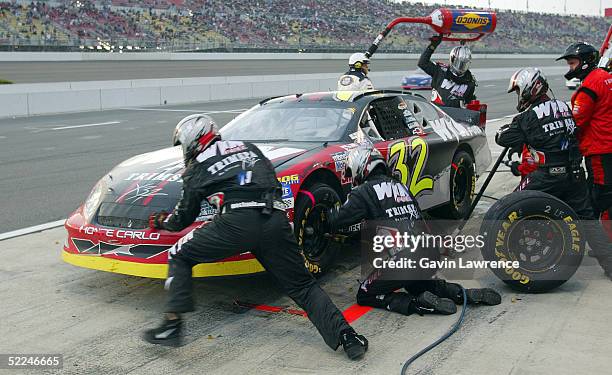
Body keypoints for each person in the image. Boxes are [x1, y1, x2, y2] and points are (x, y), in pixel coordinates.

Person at [143, 114, 368, 360]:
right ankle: (348, 337)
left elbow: (183, 217)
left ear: (193, 141)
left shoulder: (197, 167)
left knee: (179, 254)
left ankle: (172, 326)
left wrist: (162, 222)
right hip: (275, 220)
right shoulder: (249, 149)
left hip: (236, 223)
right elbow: (271, 182)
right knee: (303, 286)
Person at [320, 145, 501, 316]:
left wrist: (325, 215)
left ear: (361, 166)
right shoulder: (401, 187)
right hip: (429, 252)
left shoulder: (364, 191)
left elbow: (336, 220)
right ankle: (463, 294)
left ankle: (417, 303)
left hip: (405, 258)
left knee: (365, 294)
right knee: (418, 284)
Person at [496, 67, 612, 279]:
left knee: (509, 206)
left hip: (547, 177)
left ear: (530, 88)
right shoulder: (565, 106)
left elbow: (503, 138)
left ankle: (511, 257)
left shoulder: (528, 116)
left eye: (518, 91)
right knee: (587, 220)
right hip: (575, 175)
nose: (517, 95)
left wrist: (511, 131)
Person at [556, 42, 612, 218]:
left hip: (599, 150)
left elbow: (575, 123)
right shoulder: (605, 76)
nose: (570, 67)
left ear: (585, 62)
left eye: (572, 63)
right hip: (608, 147)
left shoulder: (589, 86)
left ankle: (600, 241)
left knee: (599, 197)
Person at [418, 35, 477, 108]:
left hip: (457, 116)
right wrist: (432, 46)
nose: (461, 66)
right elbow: (422, 63)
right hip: (436, 113)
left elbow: (470, 102)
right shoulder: (440, 70)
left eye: (464, 64)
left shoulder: (470, 81)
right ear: (452, 59)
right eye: (459, 63)